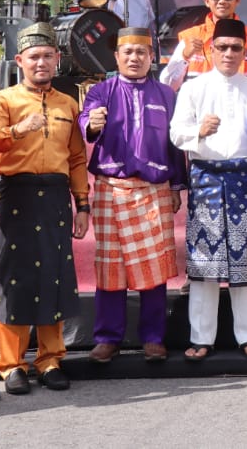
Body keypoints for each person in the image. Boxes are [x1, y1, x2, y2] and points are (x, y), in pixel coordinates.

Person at [0, 22, 90, 395]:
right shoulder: (3, 101)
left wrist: (82, 204)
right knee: (14, 279)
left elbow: (76, 158)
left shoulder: (68, 104)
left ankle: (50, 360)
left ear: (57, 58)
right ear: (19, 61)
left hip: (56, 195)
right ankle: (12, 364)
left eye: (47, 56)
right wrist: (20, 129)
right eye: (34, 57)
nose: (41, 63)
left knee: (53, 277)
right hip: (17, 194)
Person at [79, 27, 184, 364]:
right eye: (128, 52)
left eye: (141, 52)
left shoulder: (166, 94)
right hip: (112, 187)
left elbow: (174, 145)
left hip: (154, 189)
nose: (134, 58)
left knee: (154, 267)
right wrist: (92, 124)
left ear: (152, 57)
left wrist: (177, 187)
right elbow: (86, 121)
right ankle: (107, 338)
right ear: (117, 57)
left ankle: (153, 338)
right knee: (110, 267)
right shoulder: (101, 91)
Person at [169, 18, 247, 361]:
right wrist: (199, 131)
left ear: (245, 52)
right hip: (207, 178)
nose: (229, 53)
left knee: (246, 259)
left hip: (245, 180)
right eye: (222, 47)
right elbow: (176, 133)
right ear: (211, 50)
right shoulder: (193, 88)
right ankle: (201, 338)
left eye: (235, 48)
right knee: (204, 263)